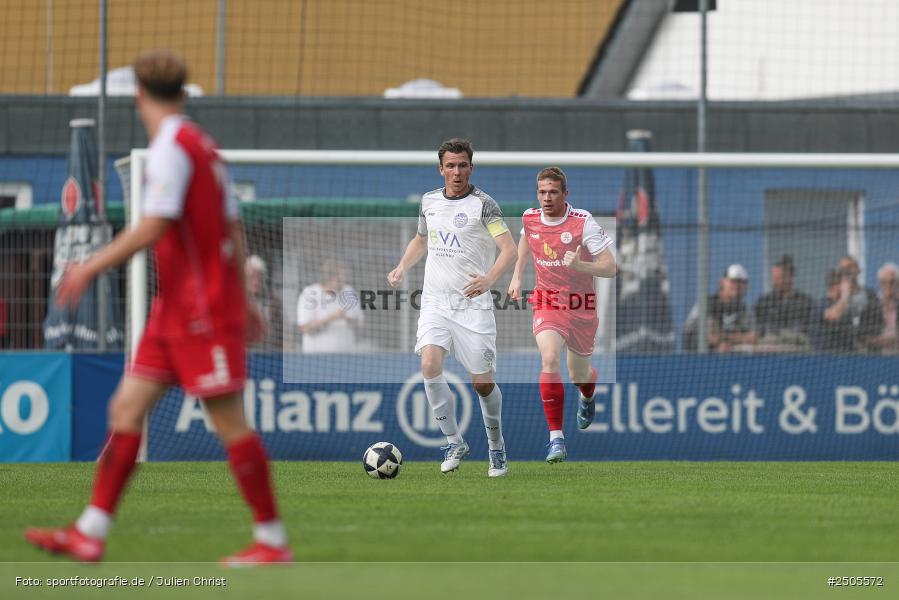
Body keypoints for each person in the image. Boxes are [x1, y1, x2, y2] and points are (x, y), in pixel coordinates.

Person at [24, 50, 291, 565]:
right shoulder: (205, 146)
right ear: (184, 94)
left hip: (200, 310)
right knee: (125, 409)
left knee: (230, 423)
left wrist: (89, 266)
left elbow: (154, 225)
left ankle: (272, 541)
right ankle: (90, 533)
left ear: (137, 96)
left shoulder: (172, 147)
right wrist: (245, 297)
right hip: (175, 310)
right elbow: (233, 227)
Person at [387, 138, 516, 477]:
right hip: (435, 303)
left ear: (471, 168)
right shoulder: (429, 201)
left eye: (462, 165)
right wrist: (402, 266)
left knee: (482, 385)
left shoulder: (484, 205)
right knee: (429, 363)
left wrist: (488, 279)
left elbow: (509, 250)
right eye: (450, 166)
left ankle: (496, 447)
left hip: (473, 306)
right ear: (440, 169)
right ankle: (453, 441)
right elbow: (421, 239)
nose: (456, 172)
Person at [508, 167, 616, 463]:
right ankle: (556, 438)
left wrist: (581, 266)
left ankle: (588, 393)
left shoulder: (583, 222)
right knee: (549, 358)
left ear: (565, 194)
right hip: (547, 300)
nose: (547, 198)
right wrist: (517, 276)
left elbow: (610, 267)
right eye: (542, 192)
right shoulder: (530, 218)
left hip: (581, 304)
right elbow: (526, 241)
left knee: (579, 375)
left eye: (553, 192)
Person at [683, 264, 756, 352]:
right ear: (722, 282)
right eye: (733, 281)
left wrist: (723, 338)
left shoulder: (745, 310)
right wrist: (737, 337)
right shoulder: (706, 304)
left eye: (742, 282)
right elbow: (709, 336)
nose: (737, 285)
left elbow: (752, 338)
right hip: (702, 356)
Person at [296, 258, 364, 353]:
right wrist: (333, 317)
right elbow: (305, 328)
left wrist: (348, 319)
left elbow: (360, 324)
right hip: (316, 356)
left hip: (347, 355)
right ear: (331, 278)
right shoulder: (310, 293)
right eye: (341, 278)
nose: (344, 281)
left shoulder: (349, 291)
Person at [812, 265, 882, 353]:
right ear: (835, 286)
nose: (850, 286)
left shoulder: (846, 306)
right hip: (826, 357)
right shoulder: (820, 304)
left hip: (847, 356)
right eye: (846, 283)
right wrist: (845, 293)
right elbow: (834, 315)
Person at [753, 254, 813, 349]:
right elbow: (758, 330)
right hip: (770, 349)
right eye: (773, 278)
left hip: (796, 349)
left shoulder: (805, 302)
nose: (774, 283)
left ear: (791, 277)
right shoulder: (764, 302)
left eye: (779, 278)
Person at [246, 254, 282, 351]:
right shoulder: (237, 301)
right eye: (251, 277)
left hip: (269, 352)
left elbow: (281, 333)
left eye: (259, 277)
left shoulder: (274, 302)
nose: (256, 282)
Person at [869, 262, 899, 354]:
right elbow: (863, 337)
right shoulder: (872, 306)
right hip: (878, 357)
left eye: (892, 282)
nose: (888, 286)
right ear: (880, 284)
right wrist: (885, 341)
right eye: (884, 282)